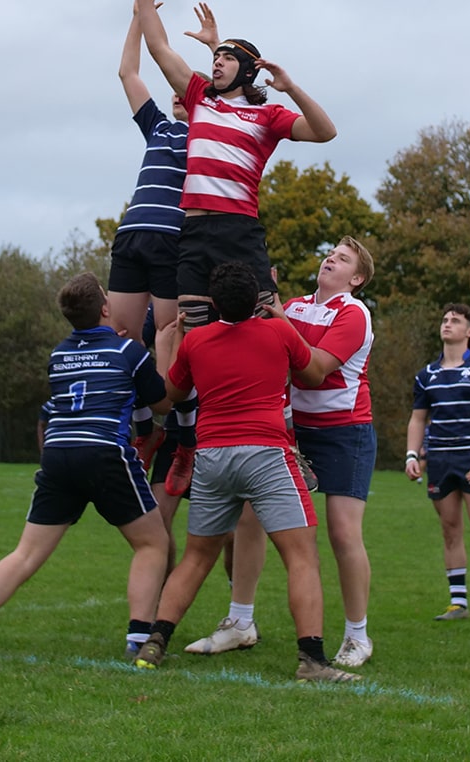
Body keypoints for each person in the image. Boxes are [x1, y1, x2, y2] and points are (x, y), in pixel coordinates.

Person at [131, 262, 359, 684]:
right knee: (301, 557)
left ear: (214, 302)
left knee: (198, 556)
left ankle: (154, 642)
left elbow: (169, 399)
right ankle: (312, 660)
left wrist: (173, 341)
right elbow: (311, 373)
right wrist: (283, 322)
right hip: (266, 454)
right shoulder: (275, 331)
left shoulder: (197, 341)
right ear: (257, 299)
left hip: (213, 458)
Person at [0, 273, 174, 658]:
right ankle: (138, 640)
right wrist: (163, 345)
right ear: (106, 307)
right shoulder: (128, 351)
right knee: (152, 543)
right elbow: (162, 402)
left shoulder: (58, 355)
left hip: (57, 453)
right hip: (103, 452)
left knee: (25, 554)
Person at [121, 0, 337, 326]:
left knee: (265, 322)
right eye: (215, 57)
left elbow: (325, 132)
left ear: (248, 71)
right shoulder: (199, 97)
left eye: (227, 59)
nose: (217, 63)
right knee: (193, 325)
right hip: (193, 229)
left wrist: (292, 88)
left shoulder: (267, 115)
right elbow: (158, 47)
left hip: (238, 230)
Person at [188, 237, 380, 667]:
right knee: (248, 518)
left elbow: (315, 372)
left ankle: (357, 636)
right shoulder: (292, 306)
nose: (331, 259)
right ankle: (239, 623)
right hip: (292, 431)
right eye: (330, 253)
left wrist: (279, 323)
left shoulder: (354, 313)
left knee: (343, 534)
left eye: (343, 259)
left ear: (357, 278)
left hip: (344, 432)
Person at [407, 303, 470, 625]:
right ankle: (458, 603)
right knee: (450, 530)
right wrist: (413, 455)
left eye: (456, 320)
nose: (447, 323)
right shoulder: (426, 376)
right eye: (445, 319)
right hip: (439, 460)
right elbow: (417, 419)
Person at [109, 0, 190, 344]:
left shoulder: (212, 135)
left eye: (182, 85)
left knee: (168, 334)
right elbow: (128, 73)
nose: (175, 91)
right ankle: (134, 401)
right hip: (132, 233)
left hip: (171, 239)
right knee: (121, 334)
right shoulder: (158, 126)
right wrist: (139, 18)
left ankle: (171, 401)